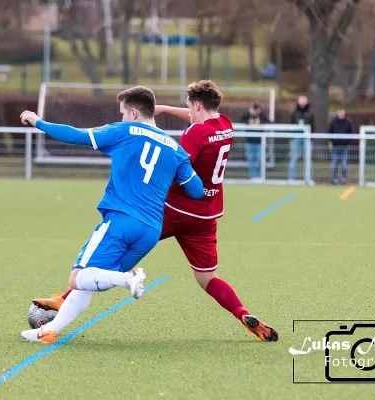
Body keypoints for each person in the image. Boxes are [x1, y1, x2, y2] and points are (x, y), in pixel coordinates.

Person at [34, 80, 278, 342]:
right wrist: (163, 108)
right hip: (206, 215)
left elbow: (175, 167)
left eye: (188, 107)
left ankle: (69, 296)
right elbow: (199, 119)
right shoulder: (225, 125)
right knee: (208, 278)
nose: (186, 112)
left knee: (115, 248)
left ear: (196, 105)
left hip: (170, 210)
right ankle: (242, 313)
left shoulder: (192, 135)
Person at [19, 86, 204, 344]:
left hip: (121, 220)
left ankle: (128, 278)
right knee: (91, 281)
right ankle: (47, 331)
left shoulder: (123, 131)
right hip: (151, 230)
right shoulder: (175, 149)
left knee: (78, 276)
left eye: (122, 113)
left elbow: (75, 136)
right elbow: (196, 190)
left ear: (133, 111)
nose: (121, 118)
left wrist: (38, 121)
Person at [288, 95, 315, 183]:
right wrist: (292, 136)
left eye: (304, 100)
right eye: (301, 100)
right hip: (296, 138)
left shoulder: (310, 113)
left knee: (308, 159)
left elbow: (313, 127)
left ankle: (309, 179)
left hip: (307, 138)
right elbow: (290, 125)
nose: (303, 102)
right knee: (294, 158)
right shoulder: (294, 113)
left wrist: (311, 137)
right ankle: (291, 178)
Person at [240, 103, 271, 179]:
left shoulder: (262, 115)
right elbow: (240, 121)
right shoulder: (246, 114)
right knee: (251, 160)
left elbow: (269, 123)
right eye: (253, 110)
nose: (255, 112)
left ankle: (260, 176)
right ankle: (253, 177)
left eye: (256, 110)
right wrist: (249, 123)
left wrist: (260, 123)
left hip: (260, 142)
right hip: (249, 141)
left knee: (259, 159)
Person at [328, 108, 353, 185]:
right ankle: (334, 179)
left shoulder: (348, 122)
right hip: (335, 147)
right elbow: (329, 132)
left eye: (342, 112)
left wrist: (346, 142)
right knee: (334, 164)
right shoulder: (333, 122)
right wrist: (334, 141)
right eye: (340, 112)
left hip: (344, 147)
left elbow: (351, 133)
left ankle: (343, 179)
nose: (341, 114)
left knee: (344, 165)